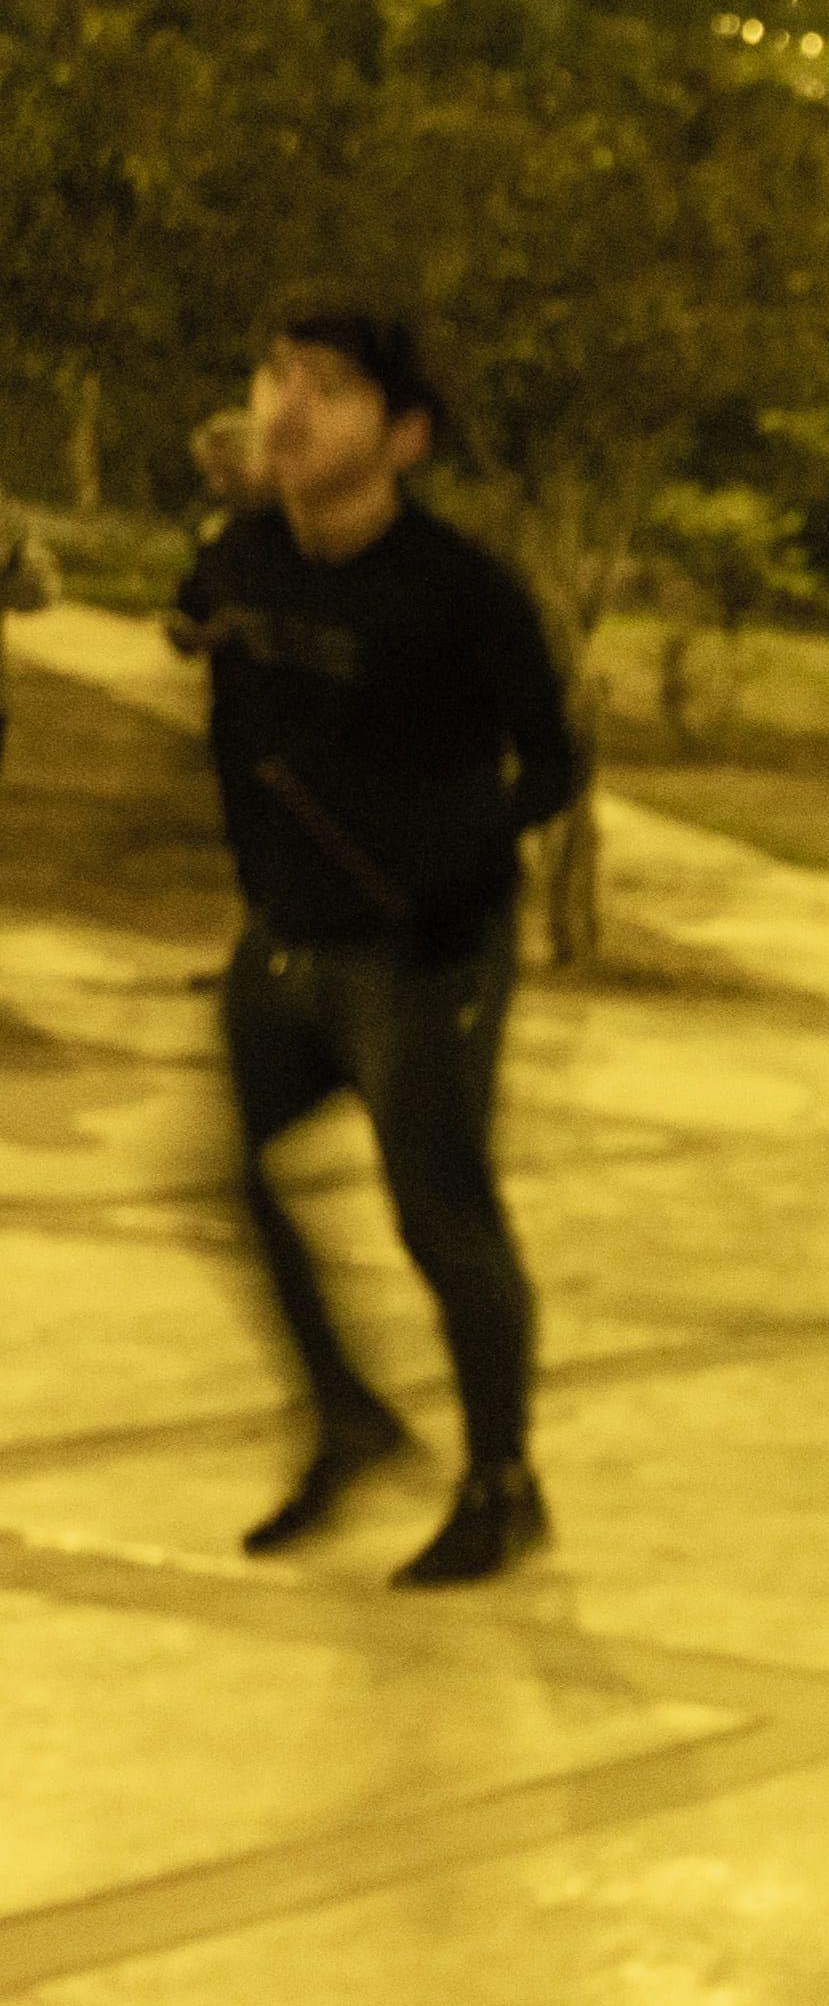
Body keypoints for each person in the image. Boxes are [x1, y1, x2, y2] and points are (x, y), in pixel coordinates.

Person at [174, 306, 577, 1589]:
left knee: (442, 1220)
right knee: (231, 1175)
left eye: (330, 386)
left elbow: (556, 765)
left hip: (423, 960)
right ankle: (348, 1417)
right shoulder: (242, 554)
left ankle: (502, 1483)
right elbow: (214, 650)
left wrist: (443, 872)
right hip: (283, 943)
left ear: (403, 436)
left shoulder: (460, 592)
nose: (290, 402)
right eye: (276, 373)